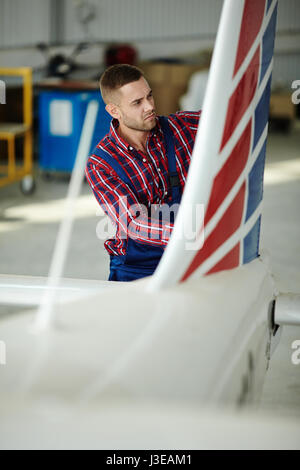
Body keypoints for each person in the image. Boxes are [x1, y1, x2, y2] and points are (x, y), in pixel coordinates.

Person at [85, 64, 200, 282]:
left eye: (150, 96)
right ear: (114, 111)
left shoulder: (181, 129)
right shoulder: (101, 164)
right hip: (137, 269)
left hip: (188, 257)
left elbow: (228, 115)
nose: (149, 106)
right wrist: (192, 234)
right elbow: (133, 224)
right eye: (137, 102)